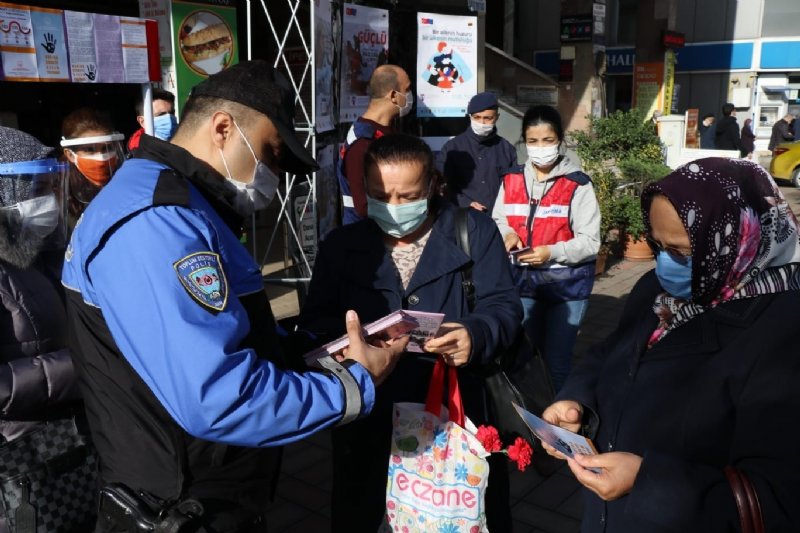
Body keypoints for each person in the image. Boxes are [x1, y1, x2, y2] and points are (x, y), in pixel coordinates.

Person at [61, 60, 405, 532]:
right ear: (223, 128)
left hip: (206, 495)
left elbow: (223, 337)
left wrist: (308, 354)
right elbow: (218, 398)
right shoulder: (157, 220)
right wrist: (355, 385)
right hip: (175, 508)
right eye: (270, 152)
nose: (273, 175)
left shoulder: (187, 206)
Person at [542, 158, 800, 532]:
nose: (664, 263)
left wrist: (648, 481)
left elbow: (781, 496)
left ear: (740, 239)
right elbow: (610, 353)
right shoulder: (656, 291)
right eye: (657, 245)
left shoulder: (783, 331)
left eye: (682, 251)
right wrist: (575, 401)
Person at [298, 133, 522, 532]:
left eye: (408, 195)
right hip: (369, 414)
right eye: (381, 195)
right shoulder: (342, 245)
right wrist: (348, 349)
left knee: (454, 515)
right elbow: (316, 322)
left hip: (455, 413)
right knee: (365, 512)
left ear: (435, 185)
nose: (394, 207)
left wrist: (476, 333)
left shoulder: (474, 231)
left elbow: (504, 306)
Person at [0, 126, 96, 530]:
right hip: (18, 460)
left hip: (69, 443)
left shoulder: (42, 251)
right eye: (35, 187)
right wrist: (84, 365)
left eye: (50, 185)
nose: (49, 200)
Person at [492, 105, 600, 392]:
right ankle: (525, 424)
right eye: (533, 141)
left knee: (557, 362)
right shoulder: (511, 179)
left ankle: (558, 428)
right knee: (523, 358)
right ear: (524, 142)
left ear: (560, 140)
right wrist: (507, 233)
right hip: (523, 284)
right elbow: (498, 219)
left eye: (548, 140)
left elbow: (590, 242)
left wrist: (551, 252)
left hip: (567, 287)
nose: (540, 148)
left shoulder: (578, 184)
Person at [337, 64, 412, 224]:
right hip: (366, 237)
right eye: (407, 90)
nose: (410, 95)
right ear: (393, 96)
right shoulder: (362, 143)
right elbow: (363, 207)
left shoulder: (388, 132)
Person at [437, 91, 517, 212]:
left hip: (498, 218)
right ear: (470, 117)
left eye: (487, 118)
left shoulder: (507, 149)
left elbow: (514, 187)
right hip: (463, 217)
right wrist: (464, 202)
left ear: (497, 117)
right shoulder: (453, 148)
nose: (482, 123)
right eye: (477, 117)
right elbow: (440, 184)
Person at [60, 107, 125, 227]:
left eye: (107, 148)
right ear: (70, 155)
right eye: (89, 150)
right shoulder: (61, 199)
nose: (101, 157)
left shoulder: (126, 183)